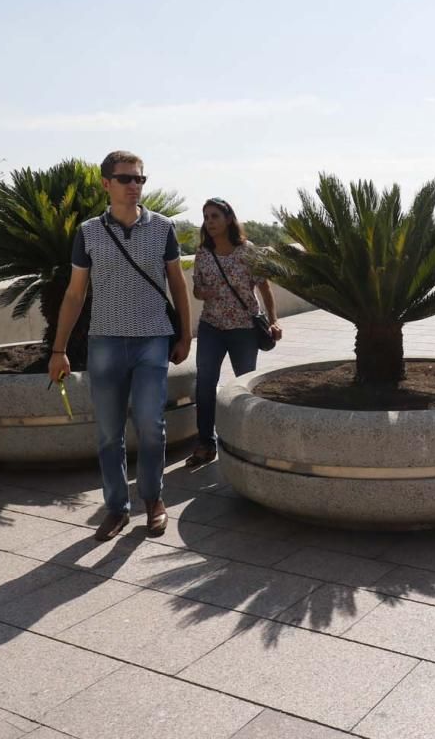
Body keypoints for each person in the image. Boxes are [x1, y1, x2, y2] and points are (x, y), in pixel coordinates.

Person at [49, 150, 193, 542]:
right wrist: (58, 349)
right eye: (126, 178)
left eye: (140, 179)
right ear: (106, 183)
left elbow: (177, 284)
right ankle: (116, 508)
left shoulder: (162, 227)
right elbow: (76, 293)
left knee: (151, 425)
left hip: (152, 339)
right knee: (109, 433)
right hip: (105, 342)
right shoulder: (89, 231)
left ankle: (153, 500)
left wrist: (184, 334)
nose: (134, 186)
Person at [187, 197, 283, 466]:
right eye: (206, 217)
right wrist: (201, 292)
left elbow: (264, 288)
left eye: (215, 216)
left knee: (244, 386)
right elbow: (196, 288)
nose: (209, 222)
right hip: (211, 328)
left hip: (244, 330)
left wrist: (273, 321)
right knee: (205, 385)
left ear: (229, 218)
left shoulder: (248, 251)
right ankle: (205, 443)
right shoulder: (203, 253)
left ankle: (245, 441)